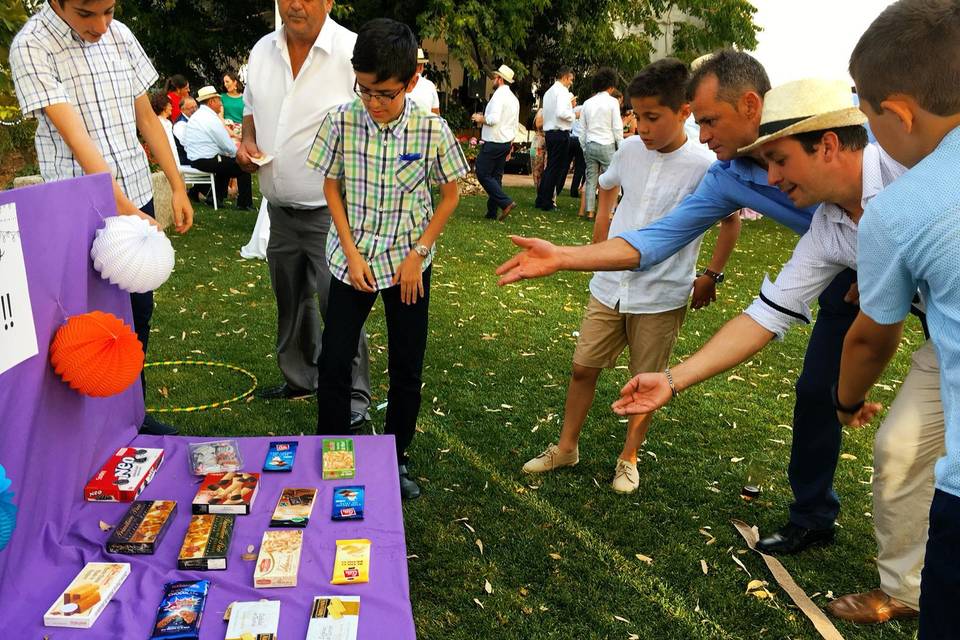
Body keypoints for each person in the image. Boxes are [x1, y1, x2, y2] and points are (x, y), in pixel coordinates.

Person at [497, 49, 862, 556]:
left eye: (709, 120)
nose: (704, 135)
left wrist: (881, 265)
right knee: (817, 392)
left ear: (753, 107)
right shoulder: (734, 181)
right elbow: (661, 242)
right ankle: (813, 514)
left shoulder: (895, 176)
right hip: (847, 270)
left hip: (894, 270)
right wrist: (566, 256)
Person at [522, 59, 740, 494]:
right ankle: (567, 447)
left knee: (645, 381)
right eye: (636, 115)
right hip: (608, 288)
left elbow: (730, 221)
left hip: (662, 293)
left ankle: (629, 457)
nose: (641, 126)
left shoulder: (704, 164)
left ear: (684, 112)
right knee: (583, 367)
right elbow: (607, 188)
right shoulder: (628, 150)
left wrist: (711, 275)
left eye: (652, 117)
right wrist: (597, 243)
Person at [10, 0, 194, 436]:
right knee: (90, 324)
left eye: (108, 10)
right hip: (81, 210)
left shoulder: (122, 35)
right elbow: (78, 141)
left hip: (136, 193)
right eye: (86, 13)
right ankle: (95, 429)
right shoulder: (32, 46)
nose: (100, 25)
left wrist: (177, 183)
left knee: (138, 312)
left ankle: (133, 414)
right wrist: (128, 213)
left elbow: (146, 118)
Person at [833, 2, 960, 635]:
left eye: (869, 113)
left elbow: (869, 339)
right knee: (901, 448)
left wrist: (843, 401)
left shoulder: (902, 207)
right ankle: (901, 586)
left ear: (902, 112)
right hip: (946, 347)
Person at [307, 18, 469, 500]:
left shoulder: (430, 129)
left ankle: (394, 458)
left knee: (407, 366)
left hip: (407, 266)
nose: (374, 103)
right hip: (351, 261)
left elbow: (450, 194)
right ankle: (333, 451)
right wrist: (351, 253)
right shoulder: (340, 119)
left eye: (385, 94)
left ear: (412, 81)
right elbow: (330, 184)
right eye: (365, 91)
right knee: (334, 360)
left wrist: (419, 254)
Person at [237, 0, 371, 428]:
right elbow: (252, 113)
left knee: (342, 307)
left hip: (333, 213)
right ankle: (299, 377)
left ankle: (353, 396)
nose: (295, 4)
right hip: (278, 208)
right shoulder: (261, 51)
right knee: (291, 299)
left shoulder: (353, 52)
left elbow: (374, 123)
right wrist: (246, 143)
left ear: (329, 1)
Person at [184, 85, 253, 210]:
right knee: (243, 167)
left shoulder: (198, 116)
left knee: (225, 163)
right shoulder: (211, 119)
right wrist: (241, 156)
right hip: (205, 160)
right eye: (219, 100)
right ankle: (244, 203)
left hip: (196, 160)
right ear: (211, 101)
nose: (221, 104)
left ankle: (213, 198)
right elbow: (227, 145)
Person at [471, 64, 519, 221]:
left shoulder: (499, 96)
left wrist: (480, 118)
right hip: (505, 142)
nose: (493, 79)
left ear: (500, 79)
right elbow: (514, 124)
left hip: (494, 141)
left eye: (495, 77)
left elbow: (493, 119)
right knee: (496, 177)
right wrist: (510, 144)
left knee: (482, 172)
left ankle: (505, 202)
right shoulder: (514, 99)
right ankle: (491, 211)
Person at [580, 67, 624, 220]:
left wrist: (584, 147)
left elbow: (582, 129)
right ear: (611, 86)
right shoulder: (613, 102)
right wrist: (621, 145)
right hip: (607, 144)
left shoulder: (587, 103)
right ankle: (609, 211)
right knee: (610, 180)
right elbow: (617, 127)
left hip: (590, 143)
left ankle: (590, 211)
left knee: (591, 179)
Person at [535, 67, 576, 211]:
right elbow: (561, 113)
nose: (571, 83)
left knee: (550, 167)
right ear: (565, 77)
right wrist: (574, 114)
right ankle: (546, 201)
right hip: (560, 132)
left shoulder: (548, 93)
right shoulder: (563, 92)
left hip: (550, 132)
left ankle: (541, 198)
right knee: (555, 168)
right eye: (570, 79)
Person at [148, 91, 181, 171]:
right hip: (167, 159)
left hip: (174, 156)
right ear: (163, 106)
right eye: (169, 105)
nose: (171, 107)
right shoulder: (158, 123)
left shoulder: (168, 122)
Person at [408, 48, 440, 115]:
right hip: (426, 125)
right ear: (421, 67)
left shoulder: (398, 84)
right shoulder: (430, 86)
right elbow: (436, 115)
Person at [567, 105, 586, 201]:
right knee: (580, 167)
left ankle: (557, 187)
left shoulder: (575, 109)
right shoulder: (587, 110)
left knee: (565, 165)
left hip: (571, 138)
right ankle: (574, 190)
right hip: (581, 140)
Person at [530, 108, 546, 189]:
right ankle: (540, 195)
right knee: (536, 170)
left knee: (547, 171)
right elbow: (538, 124)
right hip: (537, 145)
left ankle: (549, 198)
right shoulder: (542, 111)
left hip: (544, 144)